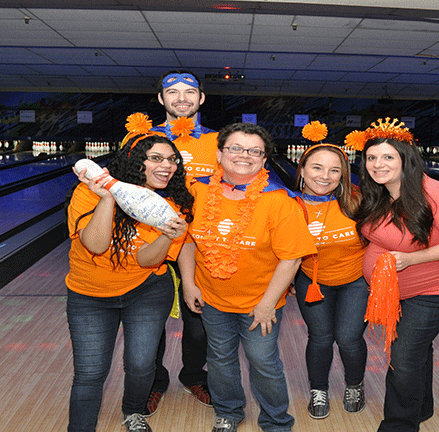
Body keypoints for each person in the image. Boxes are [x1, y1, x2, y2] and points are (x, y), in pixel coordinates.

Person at [181, 122, 317, 432]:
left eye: (255, 151)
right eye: (236, 148)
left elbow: (291, 257)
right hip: (213, 297)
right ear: (220, 153)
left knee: (263, 361)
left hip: (261, 300)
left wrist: (268, 304)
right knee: (219, 358)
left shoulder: (280, 200)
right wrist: (189, 283)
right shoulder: (196, 190)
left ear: (264, 159)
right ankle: (228, 413)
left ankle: (277, 422)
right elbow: (187, 239)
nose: (245, 155)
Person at [347, 118, 439, 432]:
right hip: (396, 290)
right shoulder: (377, 192)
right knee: (417, 348)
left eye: (388, 157)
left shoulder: (434, 193)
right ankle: (421, 407)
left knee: (403, 355)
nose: (378, 164)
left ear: (406, 159)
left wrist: (410, 258)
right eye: (372, 158)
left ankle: (399, 425)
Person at [65, 123, 194, 432]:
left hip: (146, 289)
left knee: (140, 363)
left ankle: (134, 411)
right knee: (91, 371)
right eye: (156, 158)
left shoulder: (170, 204)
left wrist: (167, 236)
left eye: (172, 159)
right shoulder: (88, 192)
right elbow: (95, 245)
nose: (167, 166)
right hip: (89, 294)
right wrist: (107, 198)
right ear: (136, 161)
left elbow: (145, 260)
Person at [137, 69, 218, 413]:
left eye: (189, 92)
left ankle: (194, 375)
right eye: (173, 92)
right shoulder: (140, 140)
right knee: (149, 323)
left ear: (201, 98)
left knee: (198, 325)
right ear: (161, 99)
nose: (181, 98)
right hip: (151, 243)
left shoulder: (218, 141)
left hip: (199, 245)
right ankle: (155, 381)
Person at [292, 121, 368, 419]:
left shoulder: (359, 200)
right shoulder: (289, 204)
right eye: (317, 168)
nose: (325, 176)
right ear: (301, 169)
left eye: (334, 170)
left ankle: (354, 384)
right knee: (320, 337)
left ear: (343, 174)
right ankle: (318, 389)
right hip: (312, 280)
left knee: (349, 338)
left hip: (355, 280)